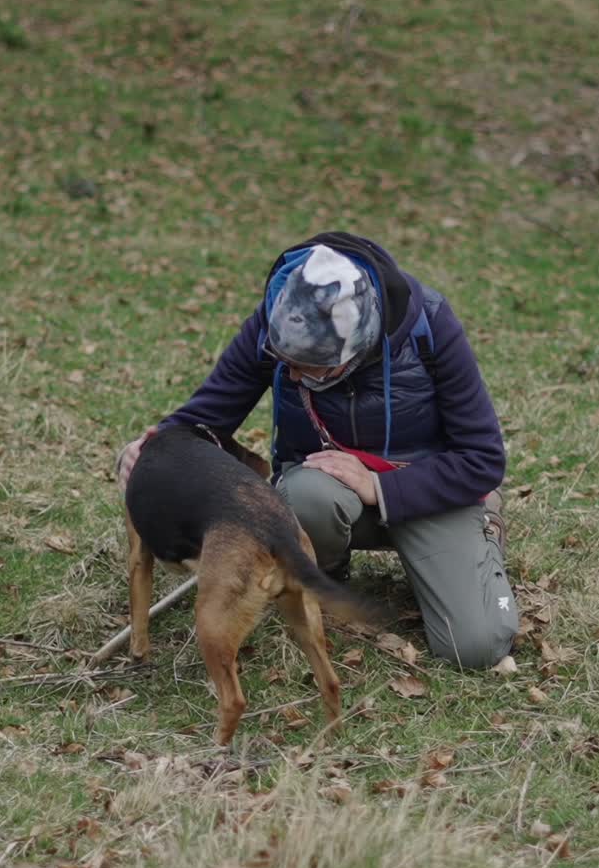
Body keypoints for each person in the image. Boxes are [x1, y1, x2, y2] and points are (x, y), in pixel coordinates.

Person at [118, 231, 518, 669]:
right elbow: (206, 418)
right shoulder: (284, 319)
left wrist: (378, 486)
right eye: (283, 363)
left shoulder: (431, 325)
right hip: (325, 491)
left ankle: (480, 538)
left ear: (357, 349)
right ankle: (326, 569)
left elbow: (483, 459)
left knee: (476, 648)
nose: (290, 377)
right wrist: (153, 448)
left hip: (427, 488)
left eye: (311, 369)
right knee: (304, 495)